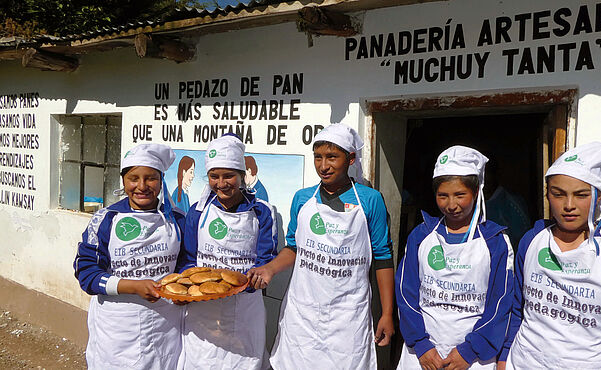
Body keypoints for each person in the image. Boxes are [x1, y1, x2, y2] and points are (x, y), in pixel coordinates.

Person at [498, 142, 601, 369]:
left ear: (599, 197)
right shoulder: (531, 241)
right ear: (547, 194)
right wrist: (505, 357)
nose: (569, 205)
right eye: (558, 194)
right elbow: (517, 309)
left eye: (581, 195)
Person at [250, 123, 395, 369]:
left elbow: (382, 256)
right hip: (303, 313)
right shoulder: (303, 198)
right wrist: (270, 269)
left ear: (350, 159)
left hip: (348, 314)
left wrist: (388, 313)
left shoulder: (371, 200)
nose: (323, 166)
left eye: (332, 157)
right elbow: (294, 247)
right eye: (318, 157)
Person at [396, 146, 514, 370]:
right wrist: (421, 344)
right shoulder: (422, 236)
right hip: (422, 355)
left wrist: (469, 351)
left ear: (477, 192)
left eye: (460, 195)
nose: (451, 205)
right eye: (443, 196)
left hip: (472, 358)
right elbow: (406, 292)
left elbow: (501, 303)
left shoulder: (495, 242)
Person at [73, 143, 186, 369]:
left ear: (161, 180)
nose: (142, 186)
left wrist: (183, 288)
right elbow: (86, 274)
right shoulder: (106, 219)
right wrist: (133, 286)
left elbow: (185, 264)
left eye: (151, 178)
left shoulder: (177, 219)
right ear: (123, 181)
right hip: (118, 328)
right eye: (134, 178)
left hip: (165, 325)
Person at [177, 134, 278, 369]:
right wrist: (186, 289)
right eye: (214, 176)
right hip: (202, 308)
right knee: (201, 361)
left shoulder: (262, 212)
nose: (221, 183)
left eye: (228, 175)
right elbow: (189, 259)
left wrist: (254, 280)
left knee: (244, 362)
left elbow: (266, 258)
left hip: (244, 307)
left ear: (242, 176)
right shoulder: (198, 212)